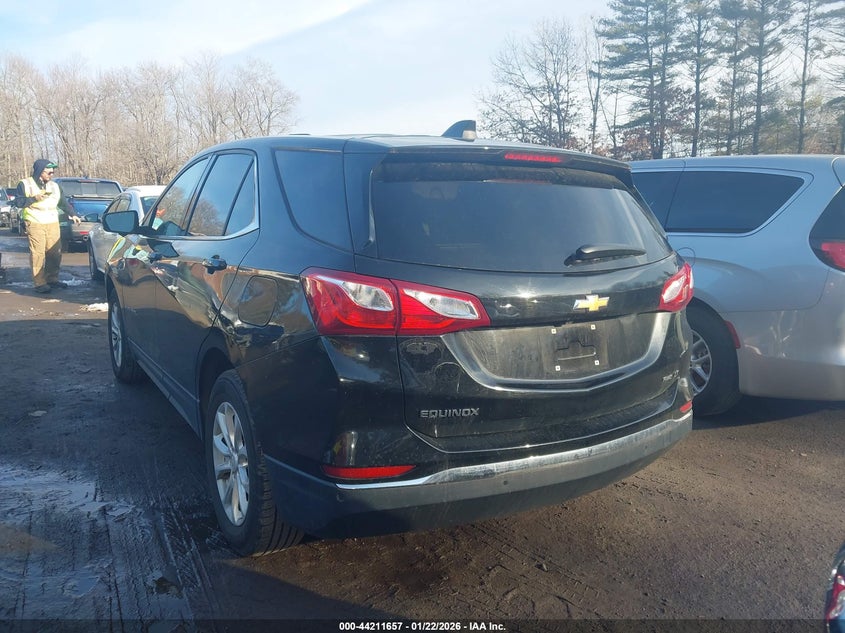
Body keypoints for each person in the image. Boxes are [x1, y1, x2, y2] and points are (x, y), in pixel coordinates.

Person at [13, 159, 80, 293]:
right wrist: (33, 198)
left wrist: (73, 214)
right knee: (38, 253)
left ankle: (52, 279)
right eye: (48, 172)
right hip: (34, 221)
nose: (51, 174)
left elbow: (63, 203)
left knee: (55, 252)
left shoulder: (54, 186)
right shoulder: (25, 184)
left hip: (52, 221)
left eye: (52, 172)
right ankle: (39, 282)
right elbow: (18, 202)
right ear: (39, 171)